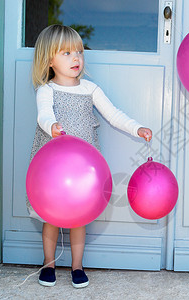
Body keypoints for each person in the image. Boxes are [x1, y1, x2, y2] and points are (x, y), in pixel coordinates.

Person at [27, 24, 152, 289]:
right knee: (50, 217)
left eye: (79, 52)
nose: (76, 58)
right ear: (49, 60)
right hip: (53, 169)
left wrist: (136, 128)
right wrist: (52, 126)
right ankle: (48, 263)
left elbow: (114, 114)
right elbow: (44, 114)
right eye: (66, 53)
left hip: (84, 170)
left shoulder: (90, 89)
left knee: (79, 217)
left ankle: (77, 266)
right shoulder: (45, 90)